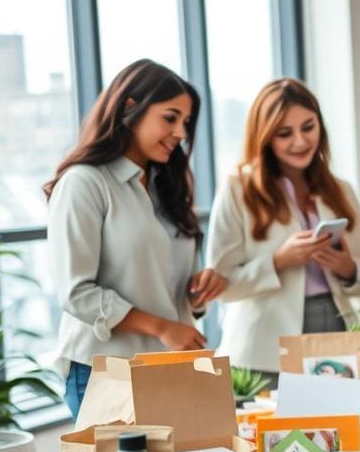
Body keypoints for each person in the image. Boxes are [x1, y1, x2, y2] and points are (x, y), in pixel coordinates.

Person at [45, 59, 225, 419]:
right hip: (106, 373)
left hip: (168, 368)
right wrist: (161, 327)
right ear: (130, 107)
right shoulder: (85, 183)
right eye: (170, 117)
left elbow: (166, 281)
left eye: (186, 123)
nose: (180, 133)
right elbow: (76, 293)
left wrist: (197, 291)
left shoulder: (168, 186)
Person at [206, 78, 360, 387]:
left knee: (341, 432)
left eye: (308, 128)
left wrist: (347, 268)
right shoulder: (237, 190)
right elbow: (222, 285)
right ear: (265, 137)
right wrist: (279, 260)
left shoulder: (342, 191)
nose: (300, 141)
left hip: (336, 332)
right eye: (284, 133)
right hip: (263, 345)